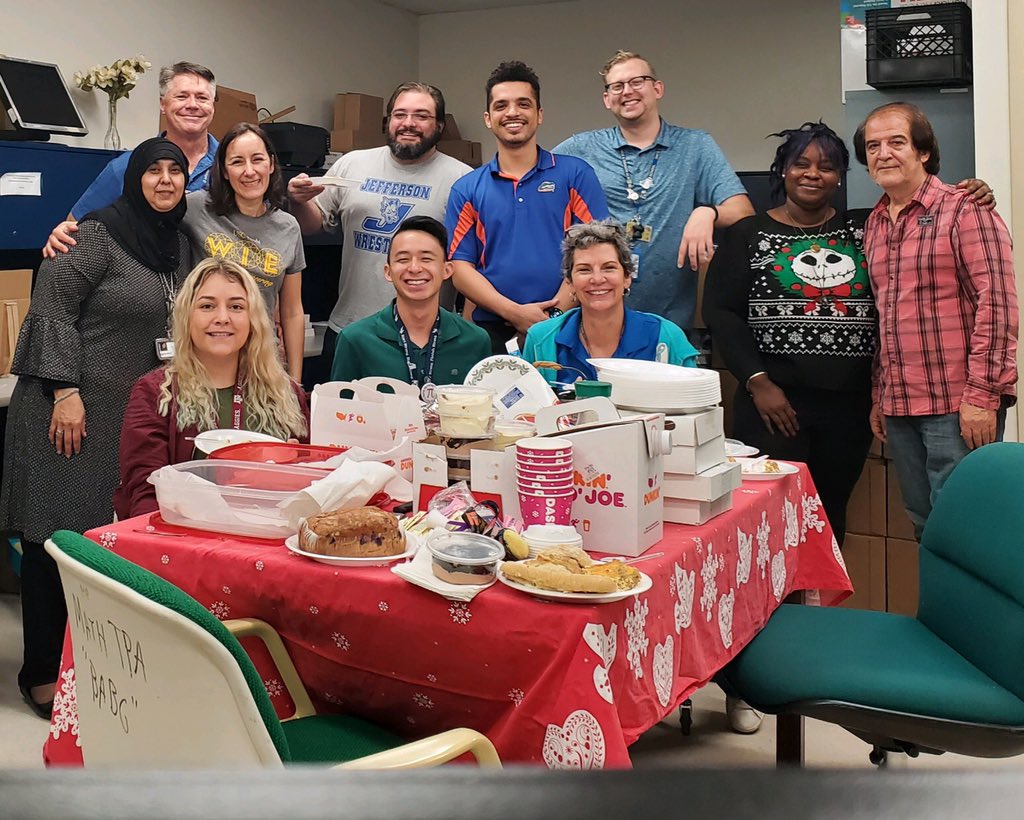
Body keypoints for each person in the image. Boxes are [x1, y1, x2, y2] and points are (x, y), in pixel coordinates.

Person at [0, 138, 190, 718]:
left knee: (107, 538)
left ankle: (93, 662)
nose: (164, 181)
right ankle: (39, 674)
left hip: (129, 417)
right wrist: (65, 392)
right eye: (152, 171)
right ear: (132, 179)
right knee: (54, 535)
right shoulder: (93, 235)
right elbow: (50, 308)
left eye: (174, 172)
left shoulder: (180, 244)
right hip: (70, 411)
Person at [703, 122, 876, 546]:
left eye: (827, 166)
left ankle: (818, 607)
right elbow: (721, 313)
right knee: (768, 522)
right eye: (801, 163)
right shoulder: (748, 234)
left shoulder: (864, 229)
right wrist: (757, 381)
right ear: (782, 171)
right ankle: (774, 609)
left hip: (849, 409)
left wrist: (970, 192)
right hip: (772, 405)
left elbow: (922, 209)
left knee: (829, 517)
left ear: (840, 177)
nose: (813, 173)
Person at [854, 102, 1018, 538]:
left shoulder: (966, 209)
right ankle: (940, 609)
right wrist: (880, 394)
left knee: (968, 529)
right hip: (900, 405)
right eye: (873, 146)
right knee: (924, 526)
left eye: (896, 142)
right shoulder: (873, 225)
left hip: (957, 405)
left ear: (923, 152)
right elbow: (885, 317)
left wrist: (984, 395)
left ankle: (977, 611)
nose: (883, 153)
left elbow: (997, 304)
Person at [554, 50, 754, 333]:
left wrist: (706, 212)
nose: (627, 92)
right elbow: (534, 180)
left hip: (668, 325)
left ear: (657, 88)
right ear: (607, 98)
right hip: (594, 322)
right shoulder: (581, 148)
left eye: (637, 82)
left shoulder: (695, 146)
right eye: (617, 86)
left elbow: (743, 211)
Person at [288, 82, 471, 379]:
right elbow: (312, 226)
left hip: (428, 339)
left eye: (421, 116)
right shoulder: (351, 164)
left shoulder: (462, 180)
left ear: (439, 125)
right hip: (350, 329)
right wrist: (298, 202)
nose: (408, 123)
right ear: (388, 122)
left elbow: (470, 262)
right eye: (400, 114)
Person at [114, 257, 309, 519]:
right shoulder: (156, 393)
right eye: (207, 306)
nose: (222, 318)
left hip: (269, 539)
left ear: (254, 319)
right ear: (186, 317)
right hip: (182, 541)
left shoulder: (288, 395)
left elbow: (309, 491)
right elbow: (145, 495)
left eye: (236, 307)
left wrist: (296, 471)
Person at [445, 61, 609, 355]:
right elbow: (459, 268)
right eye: (501, 105)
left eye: (524, 104)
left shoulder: (575, 175)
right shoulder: (467, 189)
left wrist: (551, 317)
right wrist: (514, 313)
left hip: (568, 325)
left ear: (539, 114)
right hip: (493, 332)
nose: (512, 113)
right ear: (487, 117)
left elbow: (595, 251)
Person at [44, 61, 218, 257]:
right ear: (163, 103)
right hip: (145, 280)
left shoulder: (232, 166)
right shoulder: (126, 167)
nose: (192, 105)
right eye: (181, 96)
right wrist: (62, 234)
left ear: (212, 105)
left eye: (202, 98)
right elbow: (75, 227)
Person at [181, 123, 306, 381]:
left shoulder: (288, 227)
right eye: (237, 162)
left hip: (262, 361)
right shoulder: (196, 208)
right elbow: (140, 210)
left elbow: (292, 311)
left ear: (271, 165)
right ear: (224, 171)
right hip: (205, 357)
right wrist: (76, 225)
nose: (249, 171)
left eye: (257, 160)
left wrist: (295, 382)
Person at [523, 219, 697, 383]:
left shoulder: (666, 337)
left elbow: (698, 408)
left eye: (609, 268)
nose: (597, 279)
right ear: (570, 282)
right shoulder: (541, 339)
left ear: (627, 277)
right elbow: (523, 410)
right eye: (584, 270)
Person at [331, 216, 490, 387]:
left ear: (447, 270)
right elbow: (339, 411)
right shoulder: (356, 339)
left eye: (426, 259)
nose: (414, 268)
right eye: (403, 259)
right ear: (388, 272)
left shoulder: (475, 341)